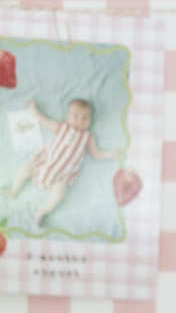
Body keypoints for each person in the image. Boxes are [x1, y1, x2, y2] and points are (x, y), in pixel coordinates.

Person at [6, 96, 120, 227]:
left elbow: (96, 154)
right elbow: (44, 120)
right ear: (67, 116)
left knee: (59, 194)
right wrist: (33, 109)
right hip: (44, 163)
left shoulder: (87, 137)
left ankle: (42, 212)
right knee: (25, 170)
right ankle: (14, 190)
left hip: (62, 174)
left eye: (85, 117)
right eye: (75, 116)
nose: (80, 121)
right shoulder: (61, 126)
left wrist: (112, 154)